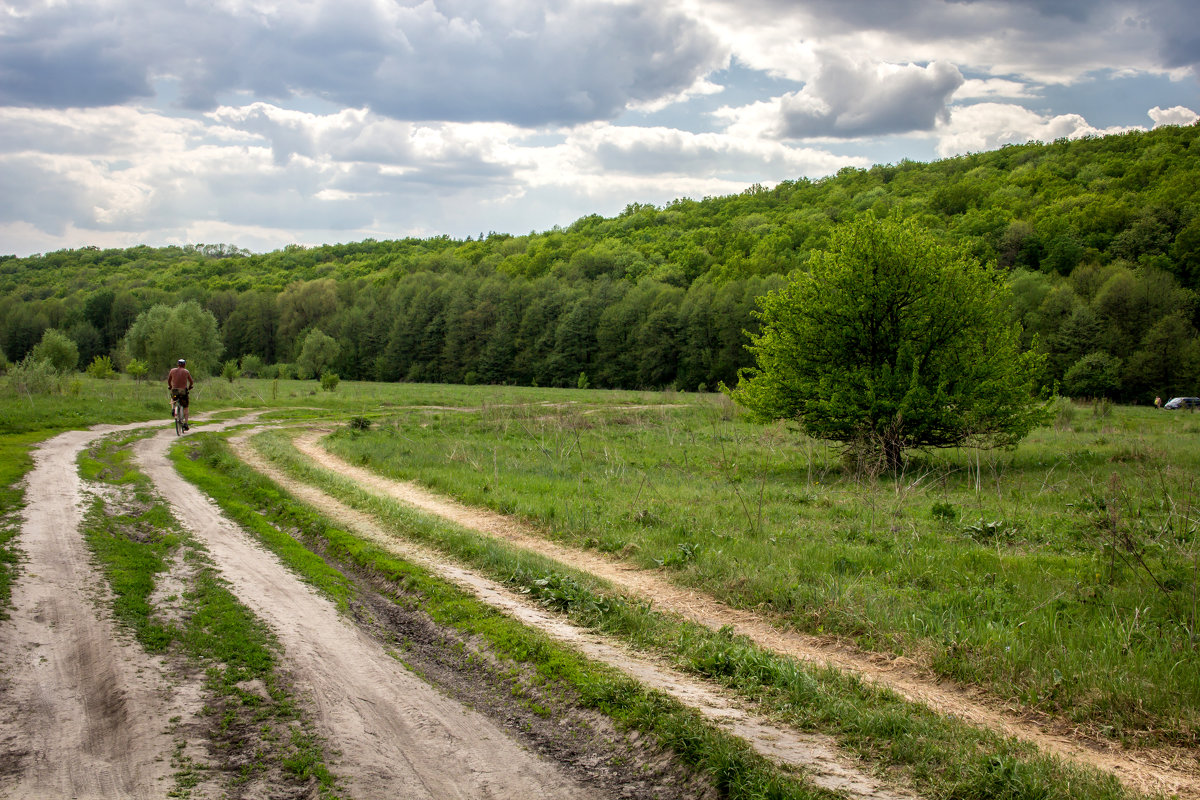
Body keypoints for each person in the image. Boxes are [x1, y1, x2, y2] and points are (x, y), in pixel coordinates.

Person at [167, 358, 194, 430]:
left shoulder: (172, 370)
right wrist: (190, 386)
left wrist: (170, 386)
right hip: (183, 392)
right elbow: (191, 382)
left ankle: (173, 409)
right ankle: (186, 423)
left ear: (177, 364)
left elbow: (169, 380)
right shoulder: (186, 372)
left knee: (173, 398)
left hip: (175, 391)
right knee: (185, 407)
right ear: (184, 365)